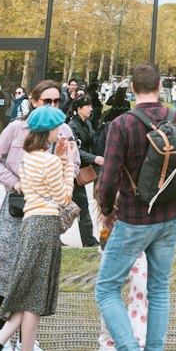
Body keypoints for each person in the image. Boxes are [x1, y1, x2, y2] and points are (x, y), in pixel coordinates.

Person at [94, 63, 176, 351]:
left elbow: (108, 179)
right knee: (159, 290)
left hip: (134, 218)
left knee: (105, 288)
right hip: (171, 216)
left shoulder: (122, 124)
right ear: (160, 86)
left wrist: (106, 211)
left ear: (132, 88)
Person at [0, 105, 74, 351]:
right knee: (34, 297)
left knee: (28, 296)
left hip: (29, 224)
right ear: (49, 132)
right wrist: (67, 165)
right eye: (57, 128)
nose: (60, 132)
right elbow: (64, 197)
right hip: (45, 226)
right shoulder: (51, 162)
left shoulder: (30, 158)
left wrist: (60, 159)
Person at [0, 79, 78, 351]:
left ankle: (26, 338)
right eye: (47, 101)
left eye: (57, 101)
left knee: (34, 273)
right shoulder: (16, 128)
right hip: (17, 207)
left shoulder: (63, 129)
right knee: (9, 266)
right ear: (34, 101)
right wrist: (15, 182)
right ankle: (3, 330)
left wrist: (63, 173)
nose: (52, 106)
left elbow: (72, 165)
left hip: (46, 210)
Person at [67, 91, 104, 247]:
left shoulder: (87, 123)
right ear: (79, 108)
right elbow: (74, 149)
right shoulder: (71, 126)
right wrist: (94, 158)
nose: (90, 109)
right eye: (87, 106)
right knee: (81, 206)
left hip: (83, 169)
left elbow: (92, 142)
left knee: (71, 207)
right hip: (72, 171)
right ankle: (88, 241)